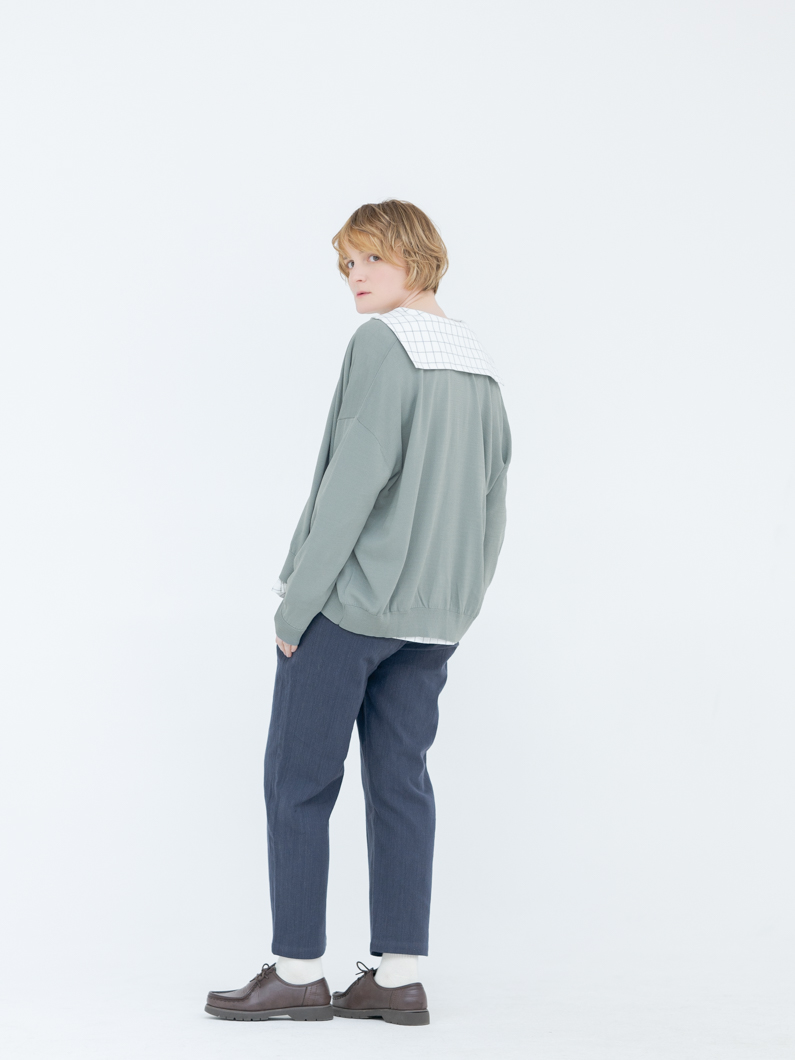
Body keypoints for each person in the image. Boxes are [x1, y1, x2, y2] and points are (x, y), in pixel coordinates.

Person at [205, 200, 512, 1026]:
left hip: (350, 611)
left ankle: (298, 971)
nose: (354, 276)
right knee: (401, 784)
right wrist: (461, 604)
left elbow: (352, 483)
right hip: (431, 622)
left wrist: (297, 606)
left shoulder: (382, 344)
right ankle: (397, 977)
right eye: (346, 264)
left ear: (415, 254)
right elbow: (494, 496)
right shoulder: (477, 363)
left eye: (370, 257)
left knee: (297, 782)